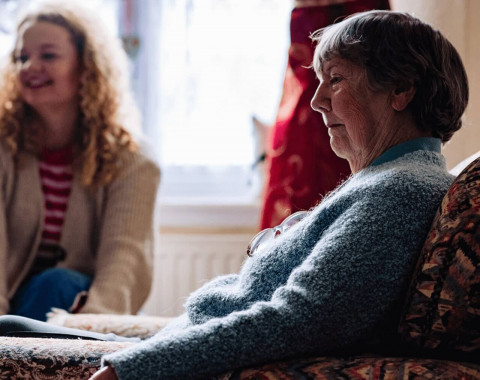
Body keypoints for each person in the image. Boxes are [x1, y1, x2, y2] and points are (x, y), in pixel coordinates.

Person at [0, 9, 469, 380]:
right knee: (10, 328)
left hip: (185, 360)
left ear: (402, 89)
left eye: (337, 79)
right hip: (192, 341)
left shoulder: (397, 193)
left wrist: (135, 367)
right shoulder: (393, 181)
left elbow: (299, 318)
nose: (316, 100)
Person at [0, 1, 160, 322]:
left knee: (56, 284)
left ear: (86, 67)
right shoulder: (4, 148)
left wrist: (92, 322)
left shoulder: (132, 159)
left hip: (84, 308)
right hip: (10, 309)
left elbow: (124, 259)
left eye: (48, 55)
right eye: (21, 57)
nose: (30, 66)